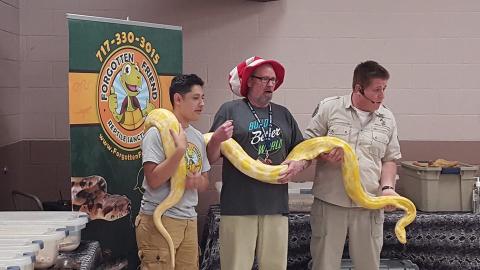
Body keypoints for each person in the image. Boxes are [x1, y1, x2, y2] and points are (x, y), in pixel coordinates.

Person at [207, 56, 310, 270]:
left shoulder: (283, 114)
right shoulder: (230, 110)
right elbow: (210, 158)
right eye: (264, 79)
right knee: (236, 266)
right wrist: (216, 138)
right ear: (249, 81)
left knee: (275, 266)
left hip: (276, 205)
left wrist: (300, 164)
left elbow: (302, 151)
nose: (270, 84)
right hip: (238, 205)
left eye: (273, 80)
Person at [305, 60, 402, 270]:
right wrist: (323, 155)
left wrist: (387, 188)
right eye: (377, 90)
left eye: (384, 89)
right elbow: (306, 146)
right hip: (331, 203)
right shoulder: (329, 108)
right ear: (358, 88)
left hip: (369, 204)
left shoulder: (387, 117)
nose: (382, 95)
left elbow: (390, 159)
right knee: (324, 264)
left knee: (369, 265)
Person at [135, 74, 211, 270]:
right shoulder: (156, 133)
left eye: (203, 98)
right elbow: (153, 180)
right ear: (178, 99)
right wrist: (178, 152)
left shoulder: (197, 137)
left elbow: (205, 181)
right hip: (159, 219)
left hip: (189, 220)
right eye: (195, 98)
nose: (202, 103)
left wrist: (197, 182)